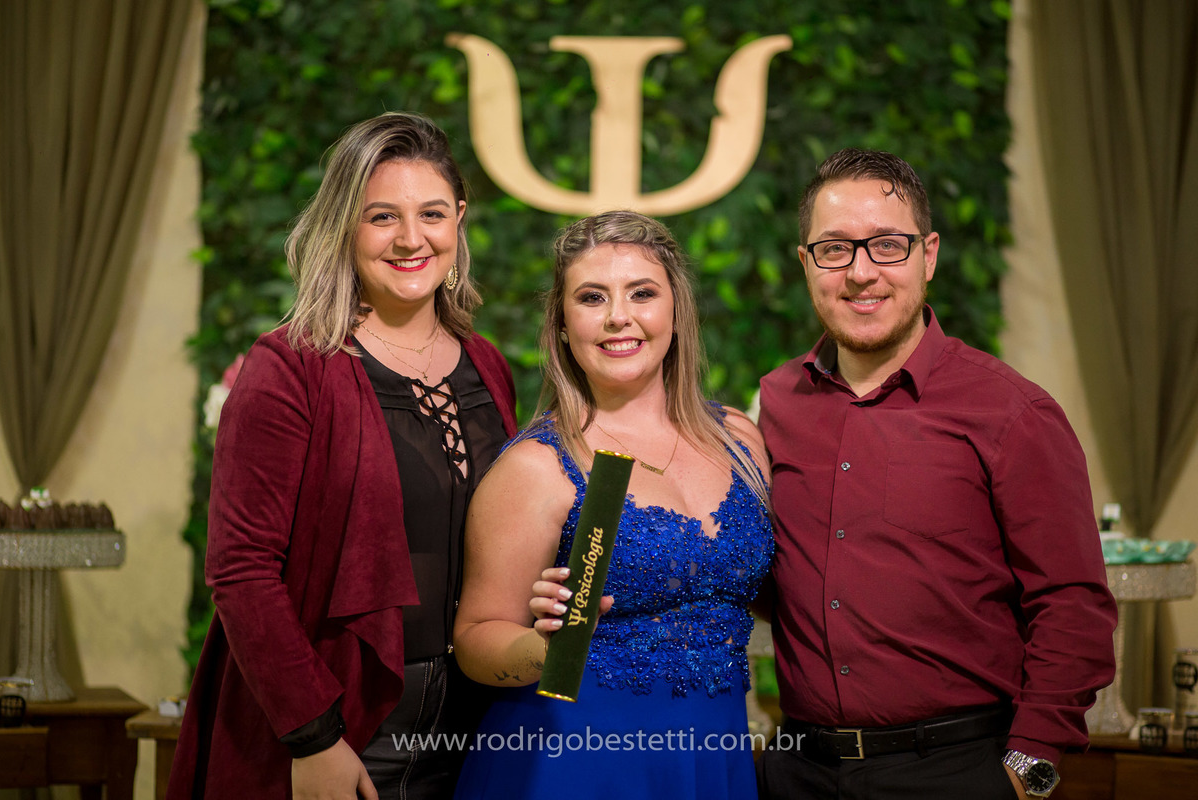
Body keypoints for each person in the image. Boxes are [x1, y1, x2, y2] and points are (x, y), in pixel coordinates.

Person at [167, 112, 517, 800]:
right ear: (344, 225)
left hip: (469, 730)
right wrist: (314, 736)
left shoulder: (488, 366)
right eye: (381, 216)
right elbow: (240, 571)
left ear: (460, 220)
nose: (411, 239)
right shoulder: (290, 366)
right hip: (341, 726)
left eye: (432, 214)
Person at [755, 148, 1118, 800]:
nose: (862, 273)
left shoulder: (1012, 411)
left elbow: (1073, 605)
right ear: (806, 263)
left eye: (888, 246)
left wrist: (1025, 772)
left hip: (955, 771)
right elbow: (764, 574)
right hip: (796, 770)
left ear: (929, 254)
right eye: (835, 249)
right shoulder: (776, 403)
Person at [449, 210, 773, 799]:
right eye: (592, 297)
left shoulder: (740, 439)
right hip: (572, 762)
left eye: (642, 294)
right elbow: (474, 638)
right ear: (564, 325)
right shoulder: (538, 467)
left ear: (676, 313)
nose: (619, 316)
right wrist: (539, 649)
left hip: (713, 759)